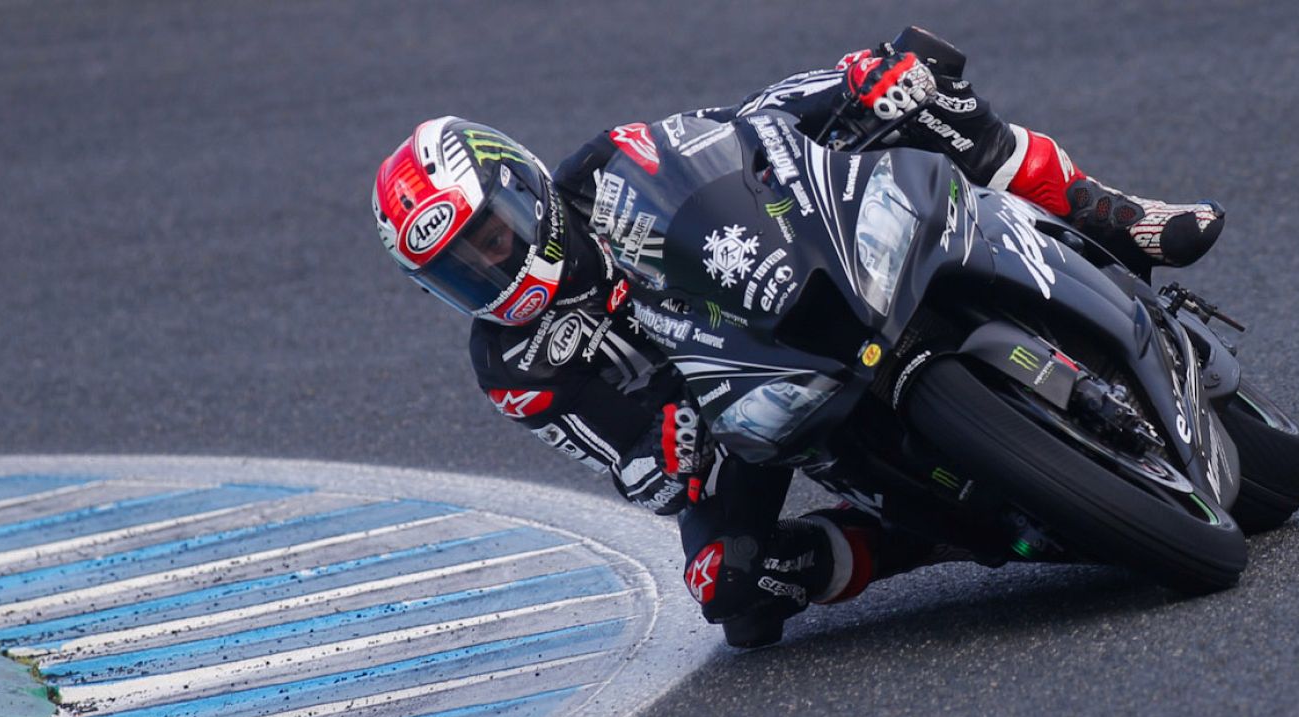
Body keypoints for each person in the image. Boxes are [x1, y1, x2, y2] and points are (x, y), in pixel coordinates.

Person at [372, 27, 1226, 647]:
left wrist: (851, 83)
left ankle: (1112, 215)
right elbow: (624, 465)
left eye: (489, 236)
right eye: (461, 273)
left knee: (920, 92)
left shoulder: (609, 166)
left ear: (519, 183)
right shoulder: (512, 364)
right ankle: (939, 536)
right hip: (728, 412)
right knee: (732, 590)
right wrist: (665, 453)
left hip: (797, 278)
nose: (492, 267)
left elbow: (742, 130)